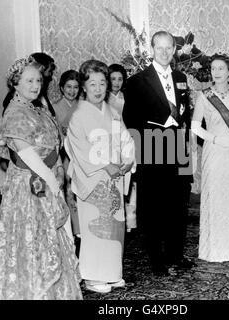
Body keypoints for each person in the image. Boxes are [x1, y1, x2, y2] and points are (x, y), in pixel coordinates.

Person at [0, 56, 82, 300]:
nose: (35, 85)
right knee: (32, 241)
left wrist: (59, 169)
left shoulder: (37, 108)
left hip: (48, 179)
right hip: (29, 186)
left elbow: (53, 145)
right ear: (15, 83)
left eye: (38, 80)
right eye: (29, 80)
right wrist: (51, 179)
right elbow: (26, 152)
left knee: (49, 239)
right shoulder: (15, 111)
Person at [123, 31, 195, 276]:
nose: (164, 52)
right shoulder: (137, 81)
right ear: (152, 49)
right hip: (152, 146)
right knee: (153, 206)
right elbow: (130, 119)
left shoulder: (181, 77)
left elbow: (185, 113)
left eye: (169, 48)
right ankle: (157, 259)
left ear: (174, 50)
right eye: (159, 48)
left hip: (178, 146)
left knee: (178, 203)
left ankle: (175, 254)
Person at [65, 59, 135, 294]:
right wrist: (106, 165)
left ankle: (112, 273)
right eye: (92, 84)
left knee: (115, 228)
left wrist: (126, 160)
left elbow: (125, 138)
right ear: (84, 86)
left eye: (102, 83)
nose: (98, 89)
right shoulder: (78, 116)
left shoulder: (113, 112)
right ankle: (93, 276)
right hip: (94, 180)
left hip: (114, 177)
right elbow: (79, 150)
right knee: (96, 228)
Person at [191, 53, 229, 262]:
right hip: (214, 151)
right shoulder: (204, 96)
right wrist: (216, 139)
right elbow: (195, 126)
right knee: (216, 197)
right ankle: (215, 249)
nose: (216, 72)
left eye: (221, 69)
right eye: (213, 69)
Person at [53, 70, 81, 250]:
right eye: (68, 87)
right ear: (62, 88)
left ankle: (82, 226)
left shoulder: (83, 106)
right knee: (68, 190)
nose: (72, 91)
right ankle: (72, 228)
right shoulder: (54, 107)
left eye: (76, 87)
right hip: (64, 155)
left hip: (81, 154)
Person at [107, 63, 137, 233]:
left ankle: (130, 221)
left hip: (127, 141)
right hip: (111, 144)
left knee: (130, 184)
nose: (116, 83)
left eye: (120, 79)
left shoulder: (127, 98)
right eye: (113, 79)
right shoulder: (103, 99)